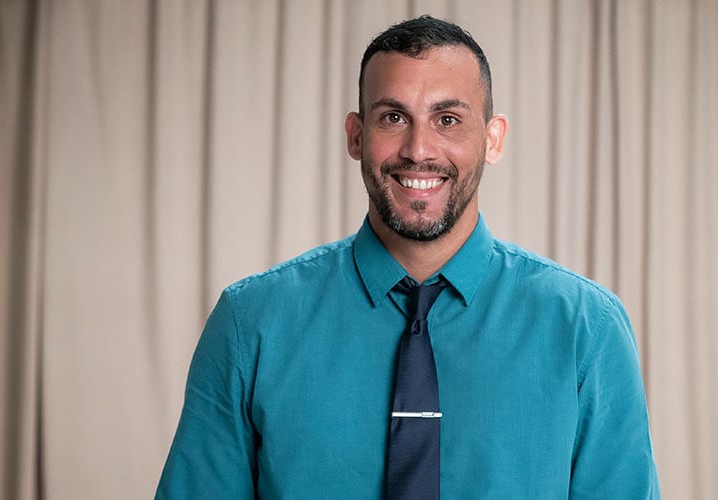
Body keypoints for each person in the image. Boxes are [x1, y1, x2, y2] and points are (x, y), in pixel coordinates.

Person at [156, 15, 660, 499]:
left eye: (448, 119)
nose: (419, 149)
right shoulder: (251, 324)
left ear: (493, 138)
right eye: (393, 117)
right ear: (356, 135)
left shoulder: (587, 329)